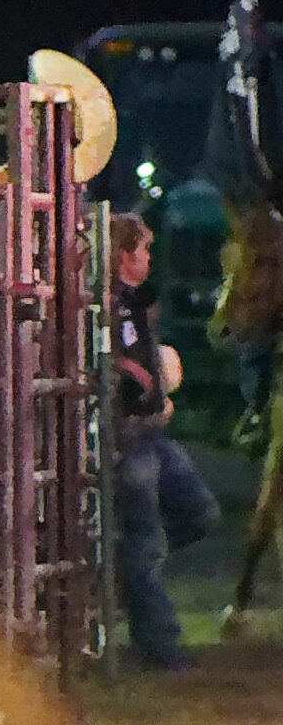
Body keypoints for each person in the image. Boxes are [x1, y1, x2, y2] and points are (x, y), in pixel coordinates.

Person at [110, 213, 220, 670]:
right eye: (143, 251)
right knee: (148, 540)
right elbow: (115, 368)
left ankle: (123, 572)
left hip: (150, 434)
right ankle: (159, 645)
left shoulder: (132, 304)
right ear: (122, 256)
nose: (149, 259)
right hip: (129, 438)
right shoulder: (104, 306)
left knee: (199, 513)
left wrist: (155, 393)